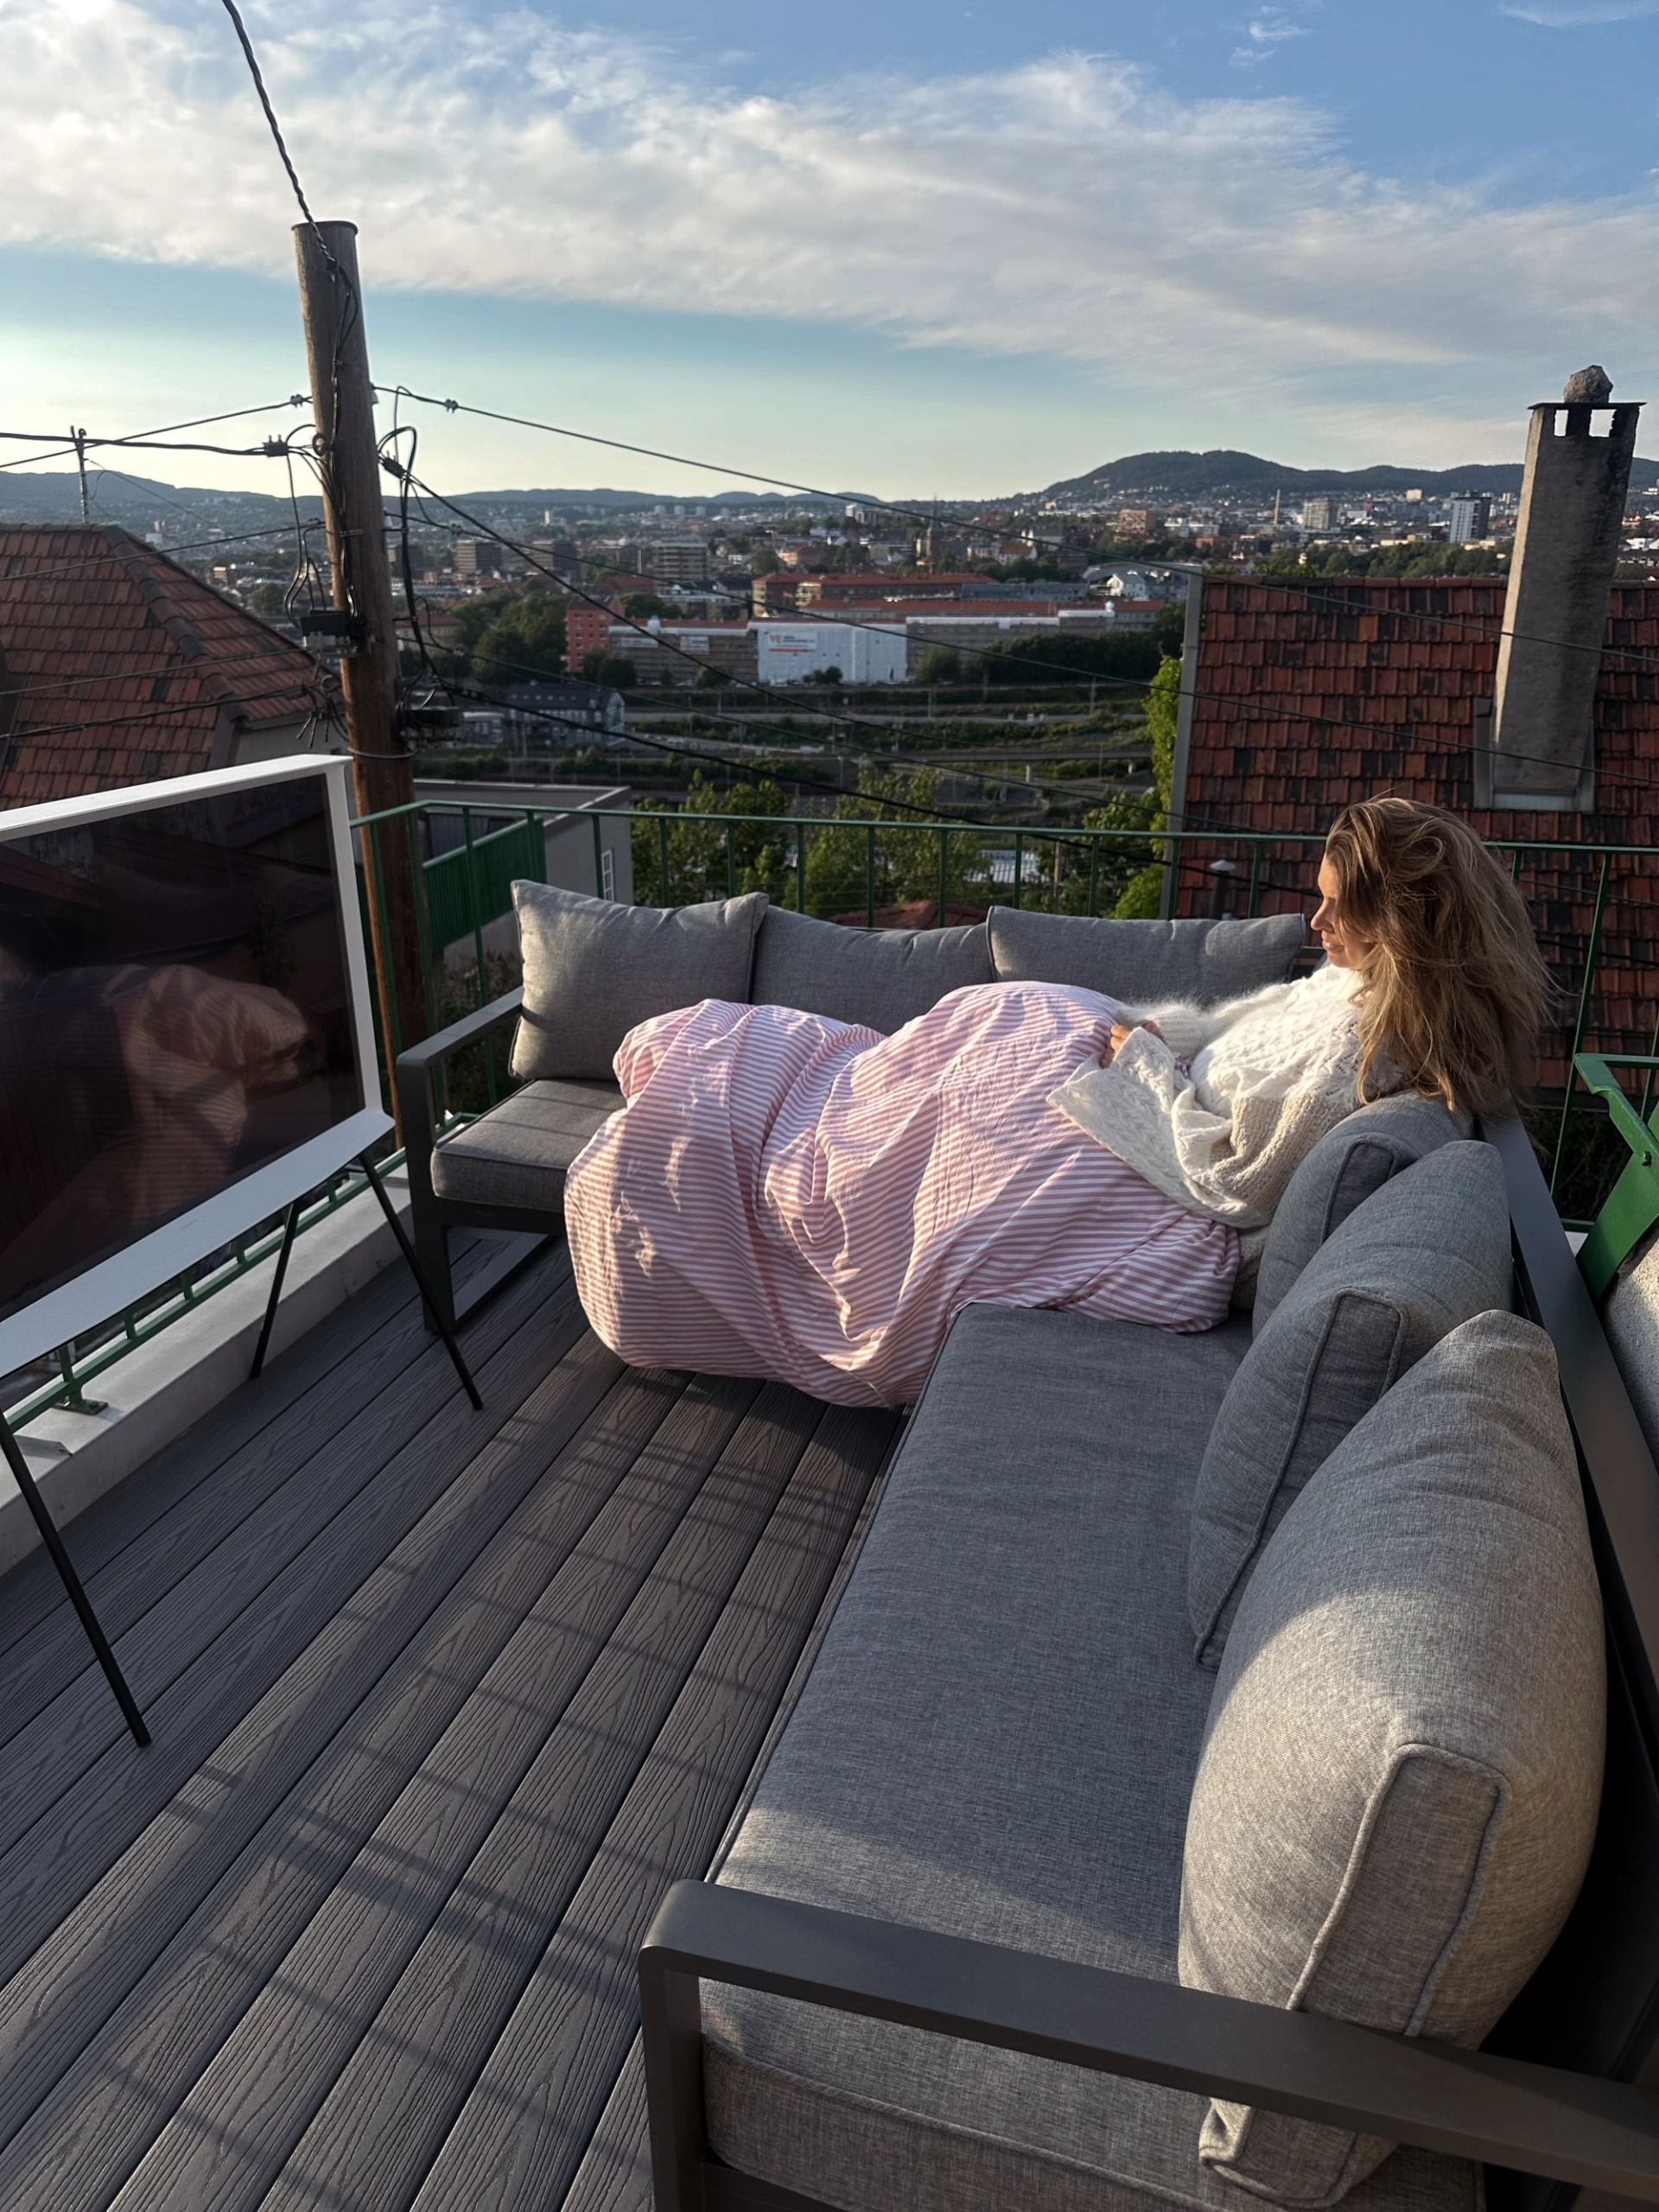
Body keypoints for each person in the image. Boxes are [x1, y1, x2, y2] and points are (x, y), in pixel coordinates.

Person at [563, 798, 1548, 1408]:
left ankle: (723, 1140)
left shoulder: (1356, 1061)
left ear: (1400, 924)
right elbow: (1226, 1033)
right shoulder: (1356, 989)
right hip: (1130, 1075)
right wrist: (1129, 1035)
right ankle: (755, 1101)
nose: (1315, 919)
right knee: (905, 1063)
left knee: (863, 1172)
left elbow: (1230, 1179)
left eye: (1338, 906)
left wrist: (1138, 1060)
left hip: (1139, 1137)